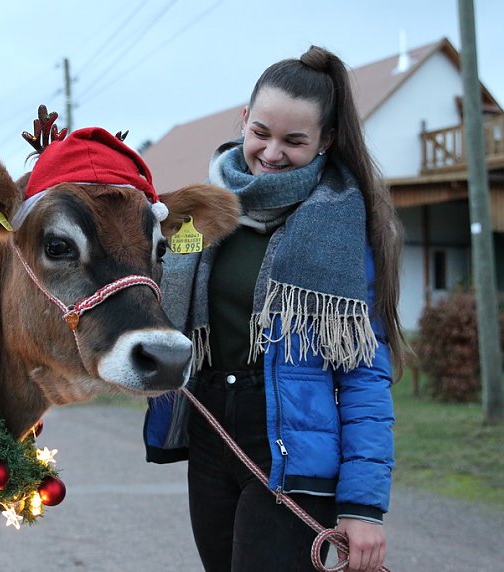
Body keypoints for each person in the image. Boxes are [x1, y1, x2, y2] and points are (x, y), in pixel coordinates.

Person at [144, 45, 404, 572]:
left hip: (293, 448)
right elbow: (155, 287)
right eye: (261, 132)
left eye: (294, 140)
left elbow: (364, 377)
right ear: (244, 118)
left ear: (326, 140)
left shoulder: (343, 228)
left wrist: (364, 508)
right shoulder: (200, 212)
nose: (271, 152)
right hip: (211, 430)